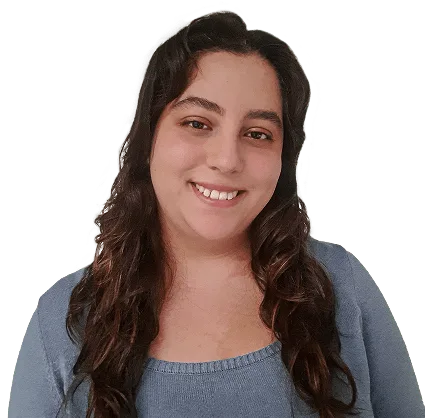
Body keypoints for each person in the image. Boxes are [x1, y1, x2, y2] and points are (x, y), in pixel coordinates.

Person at [8, 8, 425, 418]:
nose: (226, 160)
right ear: (149, 138)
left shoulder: (342, 286)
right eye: (197, 123)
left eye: (258, 133)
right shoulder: (63, 321)